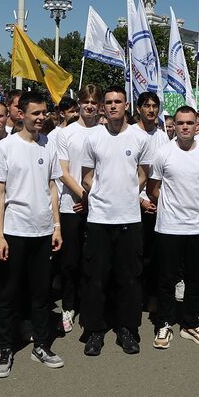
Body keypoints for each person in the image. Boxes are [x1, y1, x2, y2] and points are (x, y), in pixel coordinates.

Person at [0, 93, 65, 375]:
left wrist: (56, 226)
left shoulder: (48, 145)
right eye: (35, 113)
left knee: (41, 293)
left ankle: (42, 345)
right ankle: (6, 349)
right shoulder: (6, 147)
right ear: (21, 114)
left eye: (44, 112)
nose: (40, 117)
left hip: (43, 231)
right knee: (8, 293)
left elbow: (52, 188)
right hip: (14, 231)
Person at [79, 86, 153, 356]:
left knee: (129, 278)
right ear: (102, 106)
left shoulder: (139, 137)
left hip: (129, 219)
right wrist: (100, 194)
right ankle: (95, 331)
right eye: (108, 102)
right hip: (99, 218)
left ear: (126, 105)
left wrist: (129, 193)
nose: (112, 106)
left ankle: (127, 329)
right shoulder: (94, 137)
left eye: (117, 101)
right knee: (96, 278)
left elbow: (144, 173)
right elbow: (87, 176)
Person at [146, 106, 199, 348]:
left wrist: (193, 204)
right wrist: (171, 206)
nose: (185, 127)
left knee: (196, 279)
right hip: (169, 227)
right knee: (166, 279)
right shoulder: (163, 153)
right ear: (173, 126)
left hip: (198, 227)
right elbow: (152, 189)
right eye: (180, 123)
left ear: (198, 125)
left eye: (189, 123)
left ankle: (190, 323)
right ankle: (164, 324)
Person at [51, 86, 101, 334]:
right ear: (79, 104)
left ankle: (90, 303)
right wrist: (83, 195)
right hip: (71, 206)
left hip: (100, 207)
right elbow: (63, 172)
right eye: (86, 101)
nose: (90, 105)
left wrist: (93, 198)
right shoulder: (65, 133)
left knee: (93, 260)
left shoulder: (105, 132)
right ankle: (69, 305)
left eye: (94, 101)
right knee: (70, 261)